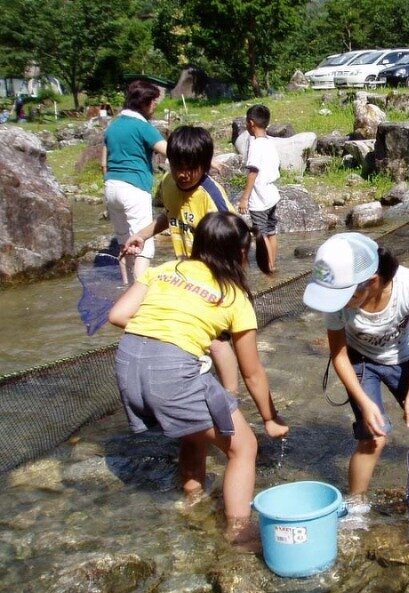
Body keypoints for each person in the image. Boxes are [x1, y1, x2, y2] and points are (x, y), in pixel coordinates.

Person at [108, 212, 289, 546]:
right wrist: (270, 417)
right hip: (174, 371)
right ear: (241, 253)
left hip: (128, 364)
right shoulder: (234, 296)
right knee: (244, 447)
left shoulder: (165, 269)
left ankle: (193, 505)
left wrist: (170, 332)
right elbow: (252, 371)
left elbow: (117, 315)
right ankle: (239, 534)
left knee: (194, 434)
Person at [303, 233, 409, 498]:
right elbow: (339, 355)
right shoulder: (336, 296)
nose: (342, 301)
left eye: (350, 295)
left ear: (373, 282)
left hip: (402, 357)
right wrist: (364, 402)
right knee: (373, 438)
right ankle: (356, 503)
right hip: (360, 360)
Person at [123, 125, 241, 393]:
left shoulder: (212, 198)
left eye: (191, 168)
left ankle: (231, 397)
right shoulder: (168, 184)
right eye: (177, 166)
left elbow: (236, 237)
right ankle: (192, 385)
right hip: (184, 275)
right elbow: (170, 214)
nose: (183, 174)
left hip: (214, 276)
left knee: (218, 340)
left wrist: (231, 285)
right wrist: (142, 235)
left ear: (205, 166)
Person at [102, 80, 168, 283]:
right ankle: (140, 291)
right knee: (143, 243)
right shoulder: (142, 126)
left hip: (111, 187)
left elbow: (103, 162)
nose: (155, 107)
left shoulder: (113, 126)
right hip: (134, 188)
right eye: (154, 102)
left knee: (124, 240)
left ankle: (126, 286)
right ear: (146, 103)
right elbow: (169, 150)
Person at [237, 104, 281, 274]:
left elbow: (253, 172)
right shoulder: (270, 143)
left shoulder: (255, 145)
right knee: (271, 232)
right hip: (272, 195)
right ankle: (273, 265)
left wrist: (244, 198)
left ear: (251, 123)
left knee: (261, 235)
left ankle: (268, 269)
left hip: (260, 199)